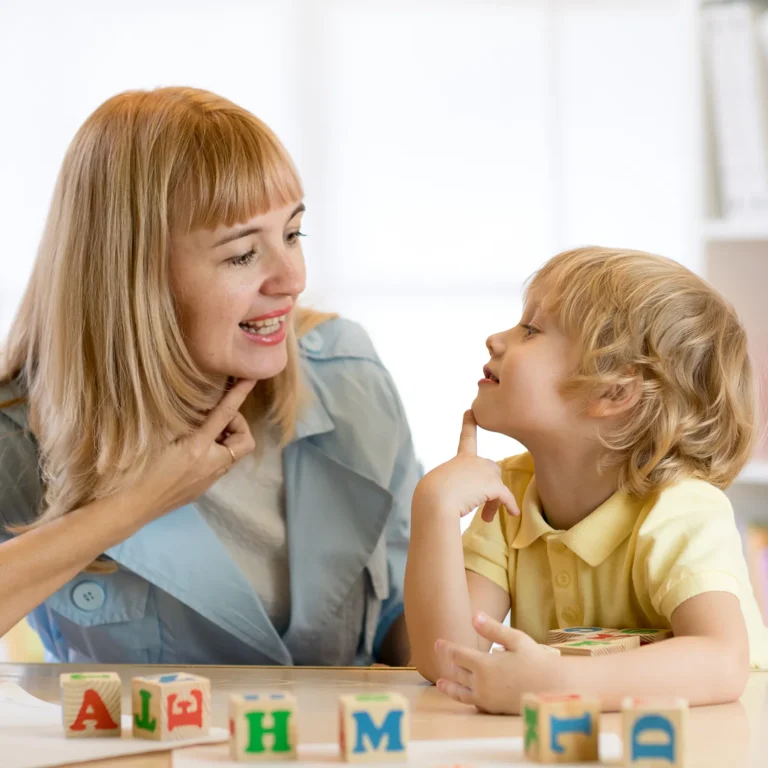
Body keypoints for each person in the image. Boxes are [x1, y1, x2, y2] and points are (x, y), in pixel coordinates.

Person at [0, 86, 419, 667]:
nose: (291, 278)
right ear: (135, 279)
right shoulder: (21, 435)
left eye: (293, 234)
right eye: (243, 255)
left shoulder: (348, 373)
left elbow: (405, 628)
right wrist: (136, 504)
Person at [405, 246, 768, 713]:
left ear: (614, 391)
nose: (495, 339)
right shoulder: (510, 493)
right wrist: (433, 506)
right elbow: (448, 663)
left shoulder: (682, 507)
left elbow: (721, 661)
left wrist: (560, 684)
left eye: (531, 330)